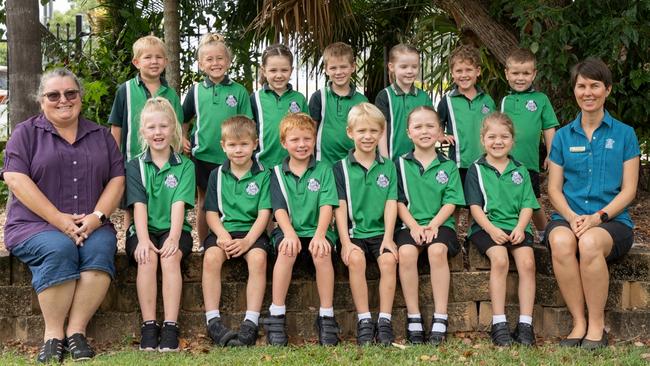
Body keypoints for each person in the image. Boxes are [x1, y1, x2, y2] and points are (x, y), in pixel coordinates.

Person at [2, 68, 124, 362]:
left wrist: (96, 217)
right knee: (59, 248)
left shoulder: (100, 135)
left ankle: (76, 332)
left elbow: (116, 180)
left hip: (90, 224)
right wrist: (59, 220)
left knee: (101, 248)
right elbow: (15, 178)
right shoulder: (26, 133)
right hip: (34, 226)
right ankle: (53, 335)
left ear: (79, 96)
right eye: (53, 95)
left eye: (70, 93)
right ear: (41, 100)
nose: (63, 100)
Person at [546, 58, 640, 349]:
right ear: (574, 91)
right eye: (582, 86)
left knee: (588, 243)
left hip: (612, 222)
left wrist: (597, 217)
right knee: (561, 241)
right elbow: (553, 189)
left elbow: (629, 190)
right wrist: (573, 216)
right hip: (569, 215)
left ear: (607, 90)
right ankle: (579, 323)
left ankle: (597, 326)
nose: (588, 92)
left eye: (595, 86)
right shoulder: (562, 136)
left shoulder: (625, 134)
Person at [125, 97, 196, 352]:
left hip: (175, 230)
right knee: (147, 259)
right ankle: (149, 325)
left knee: (169, 258)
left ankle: (170, 325)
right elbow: (138, 207)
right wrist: (143, 240)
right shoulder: (135, 166)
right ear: (143, 131)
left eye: (164, 126)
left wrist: (174, 239)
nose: (158, 132)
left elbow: (179, 206)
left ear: (174, 129)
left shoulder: (185, 166)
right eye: (152, 127)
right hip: (143, 229)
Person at [264, 113, 340, 346]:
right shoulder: (276, 172)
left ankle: (326, 315)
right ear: (284, 143)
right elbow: (278, 209)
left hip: (318, 229)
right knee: (286, 250)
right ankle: (276, 314)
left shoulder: (324, 169)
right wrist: (288, 233)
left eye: (307, 139)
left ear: (314, 140)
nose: (301, 144)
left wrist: (319, 234)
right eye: (295, 140)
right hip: (290, 230)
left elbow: (327, 205)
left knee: (322, 252)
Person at [464, 112, 539, 346]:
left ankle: (525, 324)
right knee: (500, 259)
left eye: (504, 136)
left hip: (516, 226)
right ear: (483, 139)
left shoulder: (520, 169)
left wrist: (520, 227)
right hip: (485, 228)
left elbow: (528, 204)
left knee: (527, 263)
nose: (498, 141)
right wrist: (491, 229)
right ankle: (499, 323)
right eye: (492, 136)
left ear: (513, 140)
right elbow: (474, 207)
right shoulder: (476, 169)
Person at [394, 106, 465, 345]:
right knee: (405, 253)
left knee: (437, 250)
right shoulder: (399, 165)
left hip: (440, 224)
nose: (424, 131)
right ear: (408, 132)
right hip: (410, 224)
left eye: (430, 126)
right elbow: (398, 200)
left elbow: (451, 201)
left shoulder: (448, 166)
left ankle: (440, 317)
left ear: (440, 131)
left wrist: (433, 225)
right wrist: (414, 226)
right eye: (418, 126)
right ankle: (414, 316)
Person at [201, 116, 272, 347]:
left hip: (253, 232)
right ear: (223, 146)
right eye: (232, 145)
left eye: (243, 144)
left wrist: (248, 241)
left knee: (259, 259)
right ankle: (213, 321)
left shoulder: (264, 173)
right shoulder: (216, 175)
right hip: (225, 232)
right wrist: (222, 236)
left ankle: (250, 322)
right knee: (211, 258)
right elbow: (211, 213)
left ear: (255, 144)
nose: (238, 150)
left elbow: (264, 214)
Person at [333, 103, 399, 346]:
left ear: (381, 133)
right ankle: (363, 320)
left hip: (382, 232)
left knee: (389, 261)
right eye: (361, 131)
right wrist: (345, 242)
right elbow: (338, 207)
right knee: (356, 260)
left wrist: (389, 238)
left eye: (373, 131)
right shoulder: (339, 168)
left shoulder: (389, 166)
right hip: (354, 233)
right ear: (350, 133)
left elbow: (392, 203)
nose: (367, 136)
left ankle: (384, 321)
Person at [109, 35, 187, 229]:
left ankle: (164, 238)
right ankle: (130, 240)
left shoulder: (171, 94)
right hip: (131, 160)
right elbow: (116, 126)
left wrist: (180, 148)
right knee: (132, 205)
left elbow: (177, 127)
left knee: (160, 203)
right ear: (136, 62)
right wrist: (112, 156)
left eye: (159, 57)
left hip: (163, 162)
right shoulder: (124, 90)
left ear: (166, 61)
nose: (154, 61)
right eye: (148, 57)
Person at [182, 33, 254, 246]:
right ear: (201, 64)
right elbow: (184, 119)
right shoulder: (195, 91)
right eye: (210, 59)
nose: (215, 63)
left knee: (235, 201)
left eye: (220, 58)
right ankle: (205, 245)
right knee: (205, 204)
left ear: (228, 61)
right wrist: (183, 137)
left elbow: (247, 124)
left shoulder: (239, 91)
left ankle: (240, 241)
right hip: (203, 156)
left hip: (233, 158)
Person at [501, 48, 559, 238]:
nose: (520, 78)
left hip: (529, 163)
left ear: (534, 74)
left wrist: (551, 154)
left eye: (526, 73)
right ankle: (512, 231)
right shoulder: (504, 101)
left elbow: (549, 128)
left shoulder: (541, 99)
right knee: (507, 198)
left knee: (533, 200)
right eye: (515, 73)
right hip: (504, 162)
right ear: (507, 73)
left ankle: (544, 232)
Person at [308, 42, 368, 164]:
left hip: (353, 163)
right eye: (333, 68)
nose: (338, 72)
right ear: (326, 70)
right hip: (324, 163)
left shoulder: (362, 101)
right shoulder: (319, 97)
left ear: (353, 67)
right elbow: (310, 131)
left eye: (343, 67)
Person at [251, 44, 307, 168]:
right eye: (273, 70)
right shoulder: (255, 98)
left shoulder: (299, 98)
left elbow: (307, 131)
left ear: (291, 70)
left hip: (293, 165)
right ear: (264, 71)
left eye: (284, 70)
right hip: (263, 166)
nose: (279, 75)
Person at [375, 44, 433, 160]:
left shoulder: (423, 97)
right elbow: (381, 130)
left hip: (419, 162)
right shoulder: (384, 96)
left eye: (414, 67)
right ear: (391, 67)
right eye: (404, 67)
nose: (410, 71)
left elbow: (431, 127)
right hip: (393, 160)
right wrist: (385, 160)